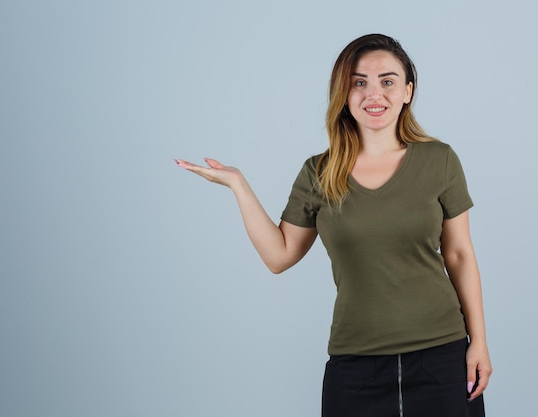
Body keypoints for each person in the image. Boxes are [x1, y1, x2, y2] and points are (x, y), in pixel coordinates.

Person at [175, 33, 492, 417]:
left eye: (387, 81)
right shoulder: (318, 173)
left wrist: (479, 341)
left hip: (442, 356)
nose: (373, 94)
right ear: (343, 92)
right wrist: (239, 185)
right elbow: (279, 256)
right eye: (359, 82)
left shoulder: (439, 160)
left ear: (408, 91)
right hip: (356, 364)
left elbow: (459, 254)